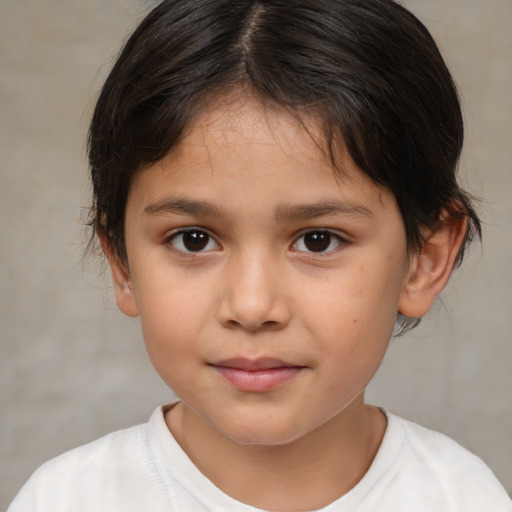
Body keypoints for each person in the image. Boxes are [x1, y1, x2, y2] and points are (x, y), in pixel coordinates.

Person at [8, 0, 511, 510]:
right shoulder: (66, 499)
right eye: (194, 239)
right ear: (121, 260)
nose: (251, 307)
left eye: (318, 240)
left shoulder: (464, 498)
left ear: (424, 259)